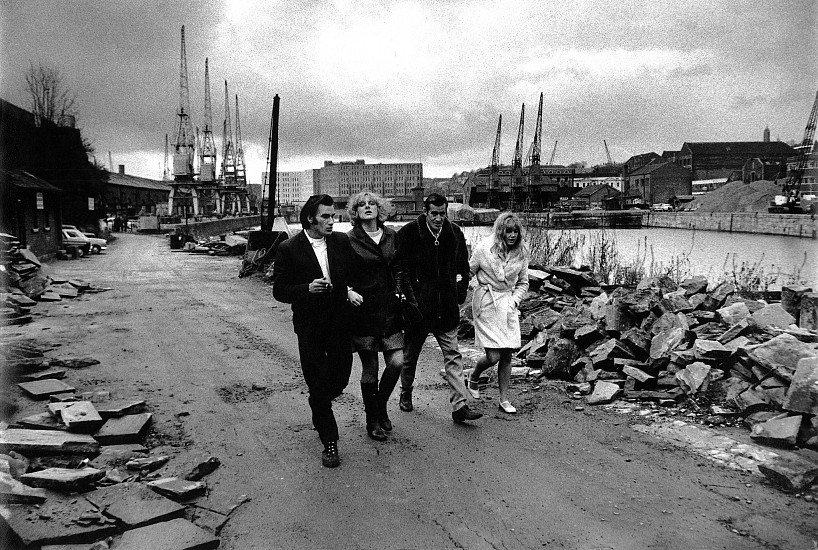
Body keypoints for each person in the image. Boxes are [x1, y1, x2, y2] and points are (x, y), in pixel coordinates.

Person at [272, 194, 355, 468]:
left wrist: (351, 290)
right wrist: (306, 289)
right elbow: (279, 291)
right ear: (310, 218)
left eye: (333, 216)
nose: (333, 221)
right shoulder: (289, 248)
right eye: (326, 217)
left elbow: (352, 274)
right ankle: (329, 442)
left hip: (339, 322)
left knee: (341, 376)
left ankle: (318, 402)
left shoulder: (341, 242)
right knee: (318, 382)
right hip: (310, 326)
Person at [396, 192, 482, 424]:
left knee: (453, 356)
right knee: (410, 356)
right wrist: (411, 302)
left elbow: (464, 267)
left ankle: (459, 406)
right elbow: (401, 272)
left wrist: (460, 293)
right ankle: (405, 391)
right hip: (419, 310)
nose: (438, 218)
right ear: (425, 212)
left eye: (442, 213)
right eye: (433, 213)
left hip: (446, 308)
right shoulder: (409, 233)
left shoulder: (454, 233)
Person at [345, 191, 405, 441]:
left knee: (397, 362)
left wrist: (401, 290)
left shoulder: (392, 235)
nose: (367, 207)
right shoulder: (349, 239)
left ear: (380, 209)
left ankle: (379, 405)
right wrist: (347, 291)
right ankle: (373, 420)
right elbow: (341, 271)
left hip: (390, 309)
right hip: (364, 311)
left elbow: (399, 267)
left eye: (372, 204)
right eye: (362, 205)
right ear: (355, 212)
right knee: (370, 369)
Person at [466, 212, 529, 414]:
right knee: (493, 356)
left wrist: (514, 301)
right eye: (508, 231)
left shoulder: (521, 252)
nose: (512, 235)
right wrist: (462, 288)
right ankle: (474, 376)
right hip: (486, 303)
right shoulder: (485, 248)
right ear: (500, 231)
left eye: (515, 231)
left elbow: (523, 282)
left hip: (508, 304)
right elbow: (469, 271)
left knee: (508, 353)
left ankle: (504, 399)